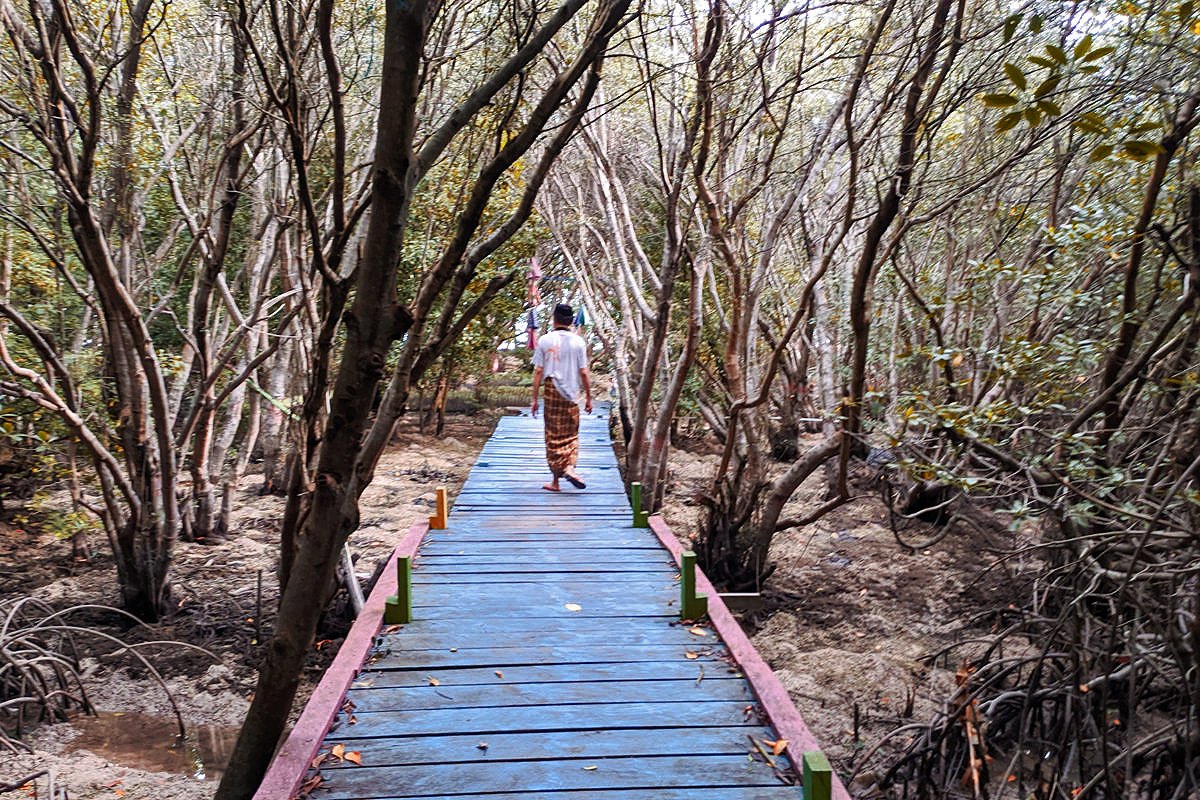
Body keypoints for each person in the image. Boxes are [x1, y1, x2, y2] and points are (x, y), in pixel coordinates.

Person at [531, 302, 592, 492]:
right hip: (572, 394)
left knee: (553, 434)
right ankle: (569, 467)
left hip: (552, 390)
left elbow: (539, 371)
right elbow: (583, 372)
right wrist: (589, 397)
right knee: (571, 434)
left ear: (554, 318)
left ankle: (556, 481)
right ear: (571, 320)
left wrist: (534, 399)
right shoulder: (579, 342)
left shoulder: (545, 340)